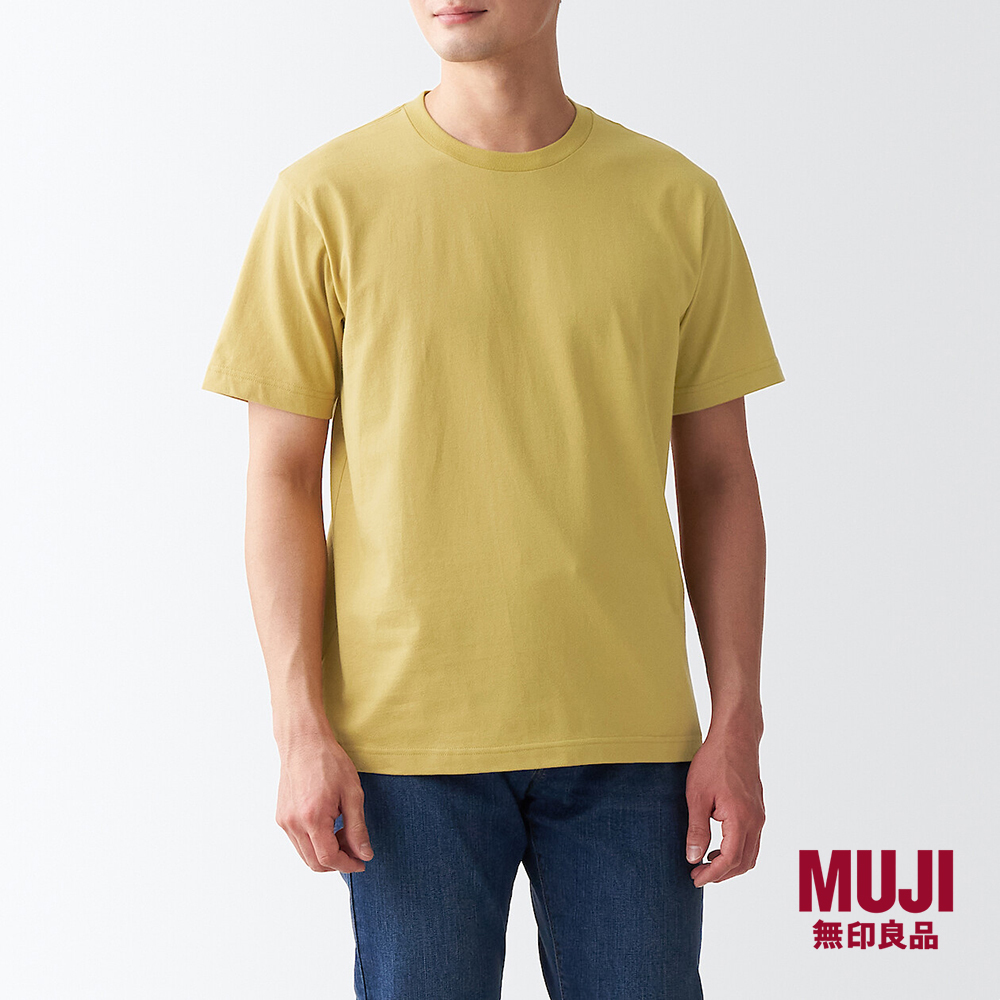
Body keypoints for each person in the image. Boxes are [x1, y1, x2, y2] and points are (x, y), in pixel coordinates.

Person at [201, 1, 784, 996]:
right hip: (401, 750)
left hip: (632, 745)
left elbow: (720, 477)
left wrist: (738, 718)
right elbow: (280, 477)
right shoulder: (325, 198)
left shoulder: (675, 199)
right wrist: (297, 725)